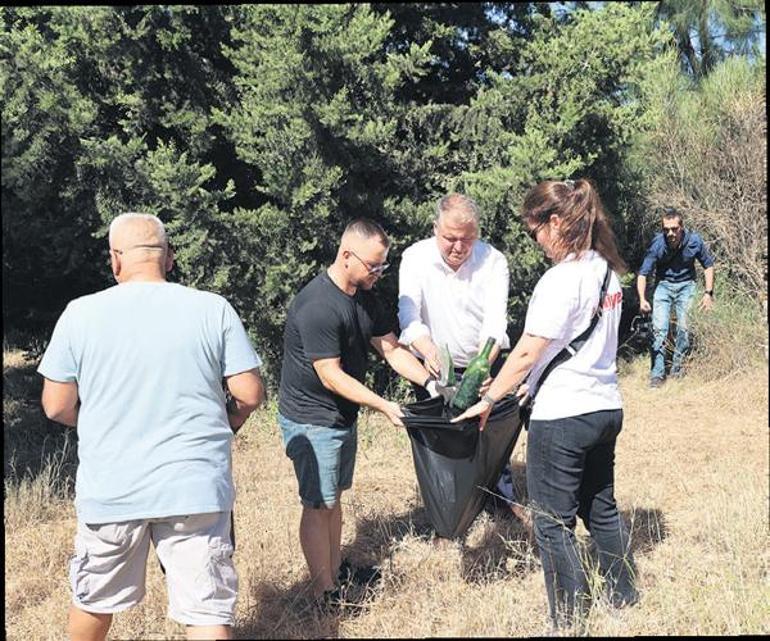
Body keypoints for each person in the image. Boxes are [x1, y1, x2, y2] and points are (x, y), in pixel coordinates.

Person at [38, 213, 265, 641]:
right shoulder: (212, 308)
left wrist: (97, 424)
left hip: (112, 487)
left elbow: (55, 405)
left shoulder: (80, 314)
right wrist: (228, 420)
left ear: (115, 260)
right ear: (170, 258)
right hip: (195, 486)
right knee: (206, 611)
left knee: (93, 601)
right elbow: (250, 393)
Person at [453, 179, 639, 632]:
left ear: (555, 223)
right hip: (604, 407)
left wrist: (491, 396)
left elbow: (527, 351)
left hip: (564, 416)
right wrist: (527, 385)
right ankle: (622, 595)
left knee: (553, 523)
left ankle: (568, 620)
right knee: (601, 508)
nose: (536, 242)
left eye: (536, 231)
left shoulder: (560, 279)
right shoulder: (605, 272)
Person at [277, 218, 434, 607]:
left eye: (383, 266)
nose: (378, 273)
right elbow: (330, 375)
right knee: (319, 504)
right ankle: (323, 592)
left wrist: (431, 384)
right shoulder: (317, 305)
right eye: (373, 266)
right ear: (346, 256)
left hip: (340, 417)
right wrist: (383, 406)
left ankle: (335, 572)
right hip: (311, 420)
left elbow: (392, 349)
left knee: (334, 498)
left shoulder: (364, 296)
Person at [397, 193, 527, 524]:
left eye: (467, 239)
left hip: (481, 362)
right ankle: (446, 513)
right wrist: (426, 350)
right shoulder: (415, 257)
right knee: (440, 441)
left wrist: (484, 364)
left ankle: (500, 500)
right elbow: (409, 316)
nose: (458, 246)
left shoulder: (493, 261)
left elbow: (496, 323)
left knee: (489, 435)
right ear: (435, 229)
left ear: (478, 233)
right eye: (450, 238)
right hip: (434, 365)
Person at [637, 207, 715, 388]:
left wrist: (708, 293)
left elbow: (708, 266)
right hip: (663, 286)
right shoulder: (657, 244)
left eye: (674, 229)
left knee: (684, 328)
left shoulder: (694, 241)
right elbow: (643, 274)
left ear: (682, 227)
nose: (670, 233)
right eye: (666, 229)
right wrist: (642, 299)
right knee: (659, 330)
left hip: (687, 286)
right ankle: (657, 373)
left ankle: (677, 369)